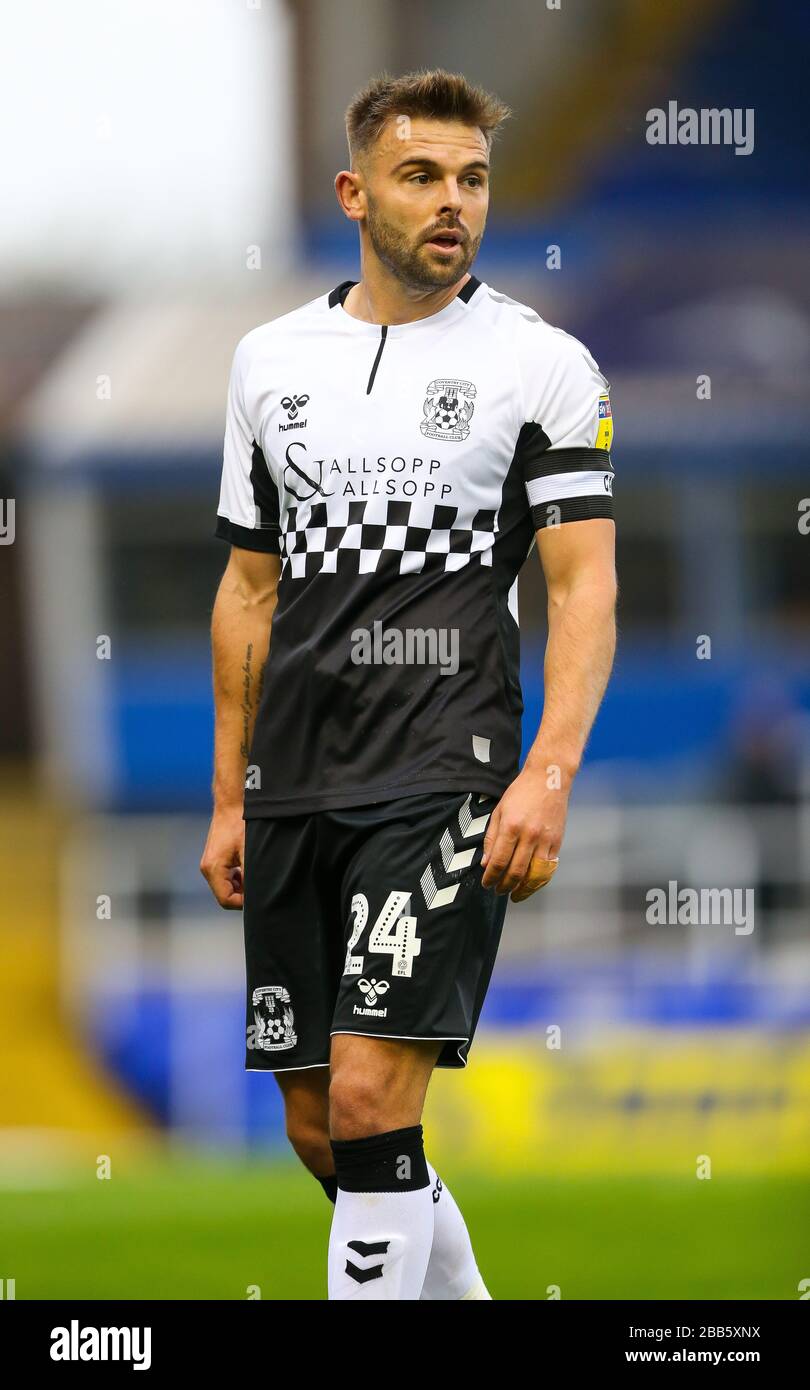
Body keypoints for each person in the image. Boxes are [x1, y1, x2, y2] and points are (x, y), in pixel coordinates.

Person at [201, 67, 617, 1300]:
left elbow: (584, 589)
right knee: (327, 1125)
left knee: (380, 1090)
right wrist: (231, 794)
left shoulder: (542, 363)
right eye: (422, 175)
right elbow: (248, 590)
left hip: (445, 770)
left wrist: (549, 771)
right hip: (294, 781)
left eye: (473, 179)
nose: (454, 202)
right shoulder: (268, 363)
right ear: (354, 192)